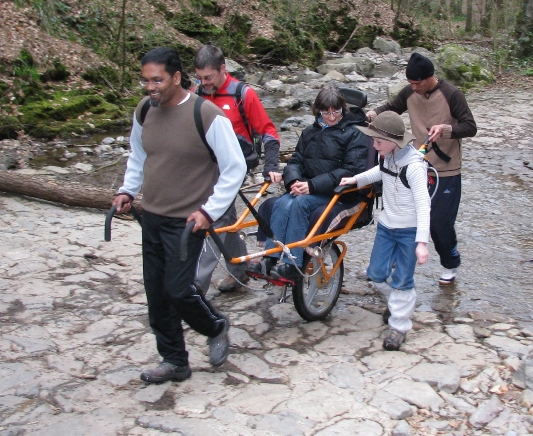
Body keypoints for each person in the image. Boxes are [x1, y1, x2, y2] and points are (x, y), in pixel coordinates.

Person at [111, 47, 247, 384]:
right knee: (156, 293)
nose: (150, 87)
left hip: (188, 222)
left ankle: (215, 326)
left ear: (175, 77)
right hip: (152, 216)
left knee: (178, 289)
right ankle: (174, 360)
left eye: (157, 80)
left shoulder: (207, 115)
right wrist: (128, 190)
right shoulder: (145, 110)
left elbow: (235, 168)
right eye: (145, 80)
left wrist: (209, 211)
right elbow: (139, 155)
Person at [366, 52, 477, 285]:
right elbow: (392, 108)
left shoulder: (452, 94)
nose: (413, 87)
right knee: (405, 214)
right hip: (415, 166)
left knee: (439, 222)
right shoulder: (410, 92)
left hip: (446, 169)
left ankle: (450, 262)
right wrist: (373, 115)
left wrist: (445, 128)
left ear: (430, 77)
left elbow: (470, 126)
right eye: (410, 83)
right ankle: (396, 258)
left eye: (417, 83)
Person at [252, 86, 368, 280]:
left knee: (299, 204)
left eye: (336, 112)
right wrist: (294, 181)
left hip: (334, 192)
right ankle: (270, 259)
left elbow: (351, 169)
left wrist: (312, 186)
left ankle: (293, 264)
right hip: (307, 187)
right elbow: (296, 160)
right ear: (318, 111)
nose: (331, 117)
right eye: (326, 112)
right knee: (282, 202)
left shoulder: (354, 133)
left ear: (343, 109)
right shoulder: (309, 132)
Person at [193, 44, 282, 293]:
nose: (204, 83)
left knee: (216, 219)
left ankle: (195, 287)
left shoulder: (243, 94)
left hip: (235, 166)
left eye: (208, 77)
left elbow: (268, 131)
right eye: (199, 77)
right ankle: (239, 268)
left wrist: (271, 164)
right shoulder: (197, 92)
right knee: (227, 218)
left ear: (223, 69)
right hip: (203, 166)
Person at [340, 111, 430, 351]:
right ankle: (398, 302)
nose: (373, 145)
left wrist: (422, 242)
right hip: (386, 226)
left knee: (402, 279)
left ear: (393, 142)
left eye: (377, 141)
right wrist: (355, 180)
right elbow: (379, 172)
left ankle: (399, 326)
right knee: (376, 273)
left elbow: (424, 206)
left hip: (409, 231)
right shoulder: (387, 156)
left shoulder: (414, 168)